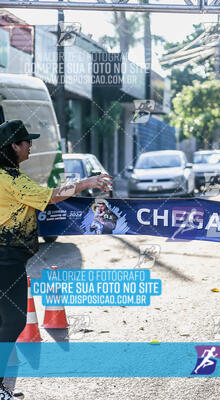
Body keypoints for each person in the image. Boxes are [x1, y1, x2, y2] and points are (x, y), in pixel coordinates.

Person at [0, 120, 112, 400]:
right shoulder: (9, 177)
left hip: (9, 257)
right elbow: (49, 197)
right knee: (12, 323)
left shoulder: (9, 175)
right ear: (14, 146)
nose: (30, 147)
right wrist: (86, 182)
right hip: (6, 259)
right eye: (27, 142)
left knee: (6, 322)